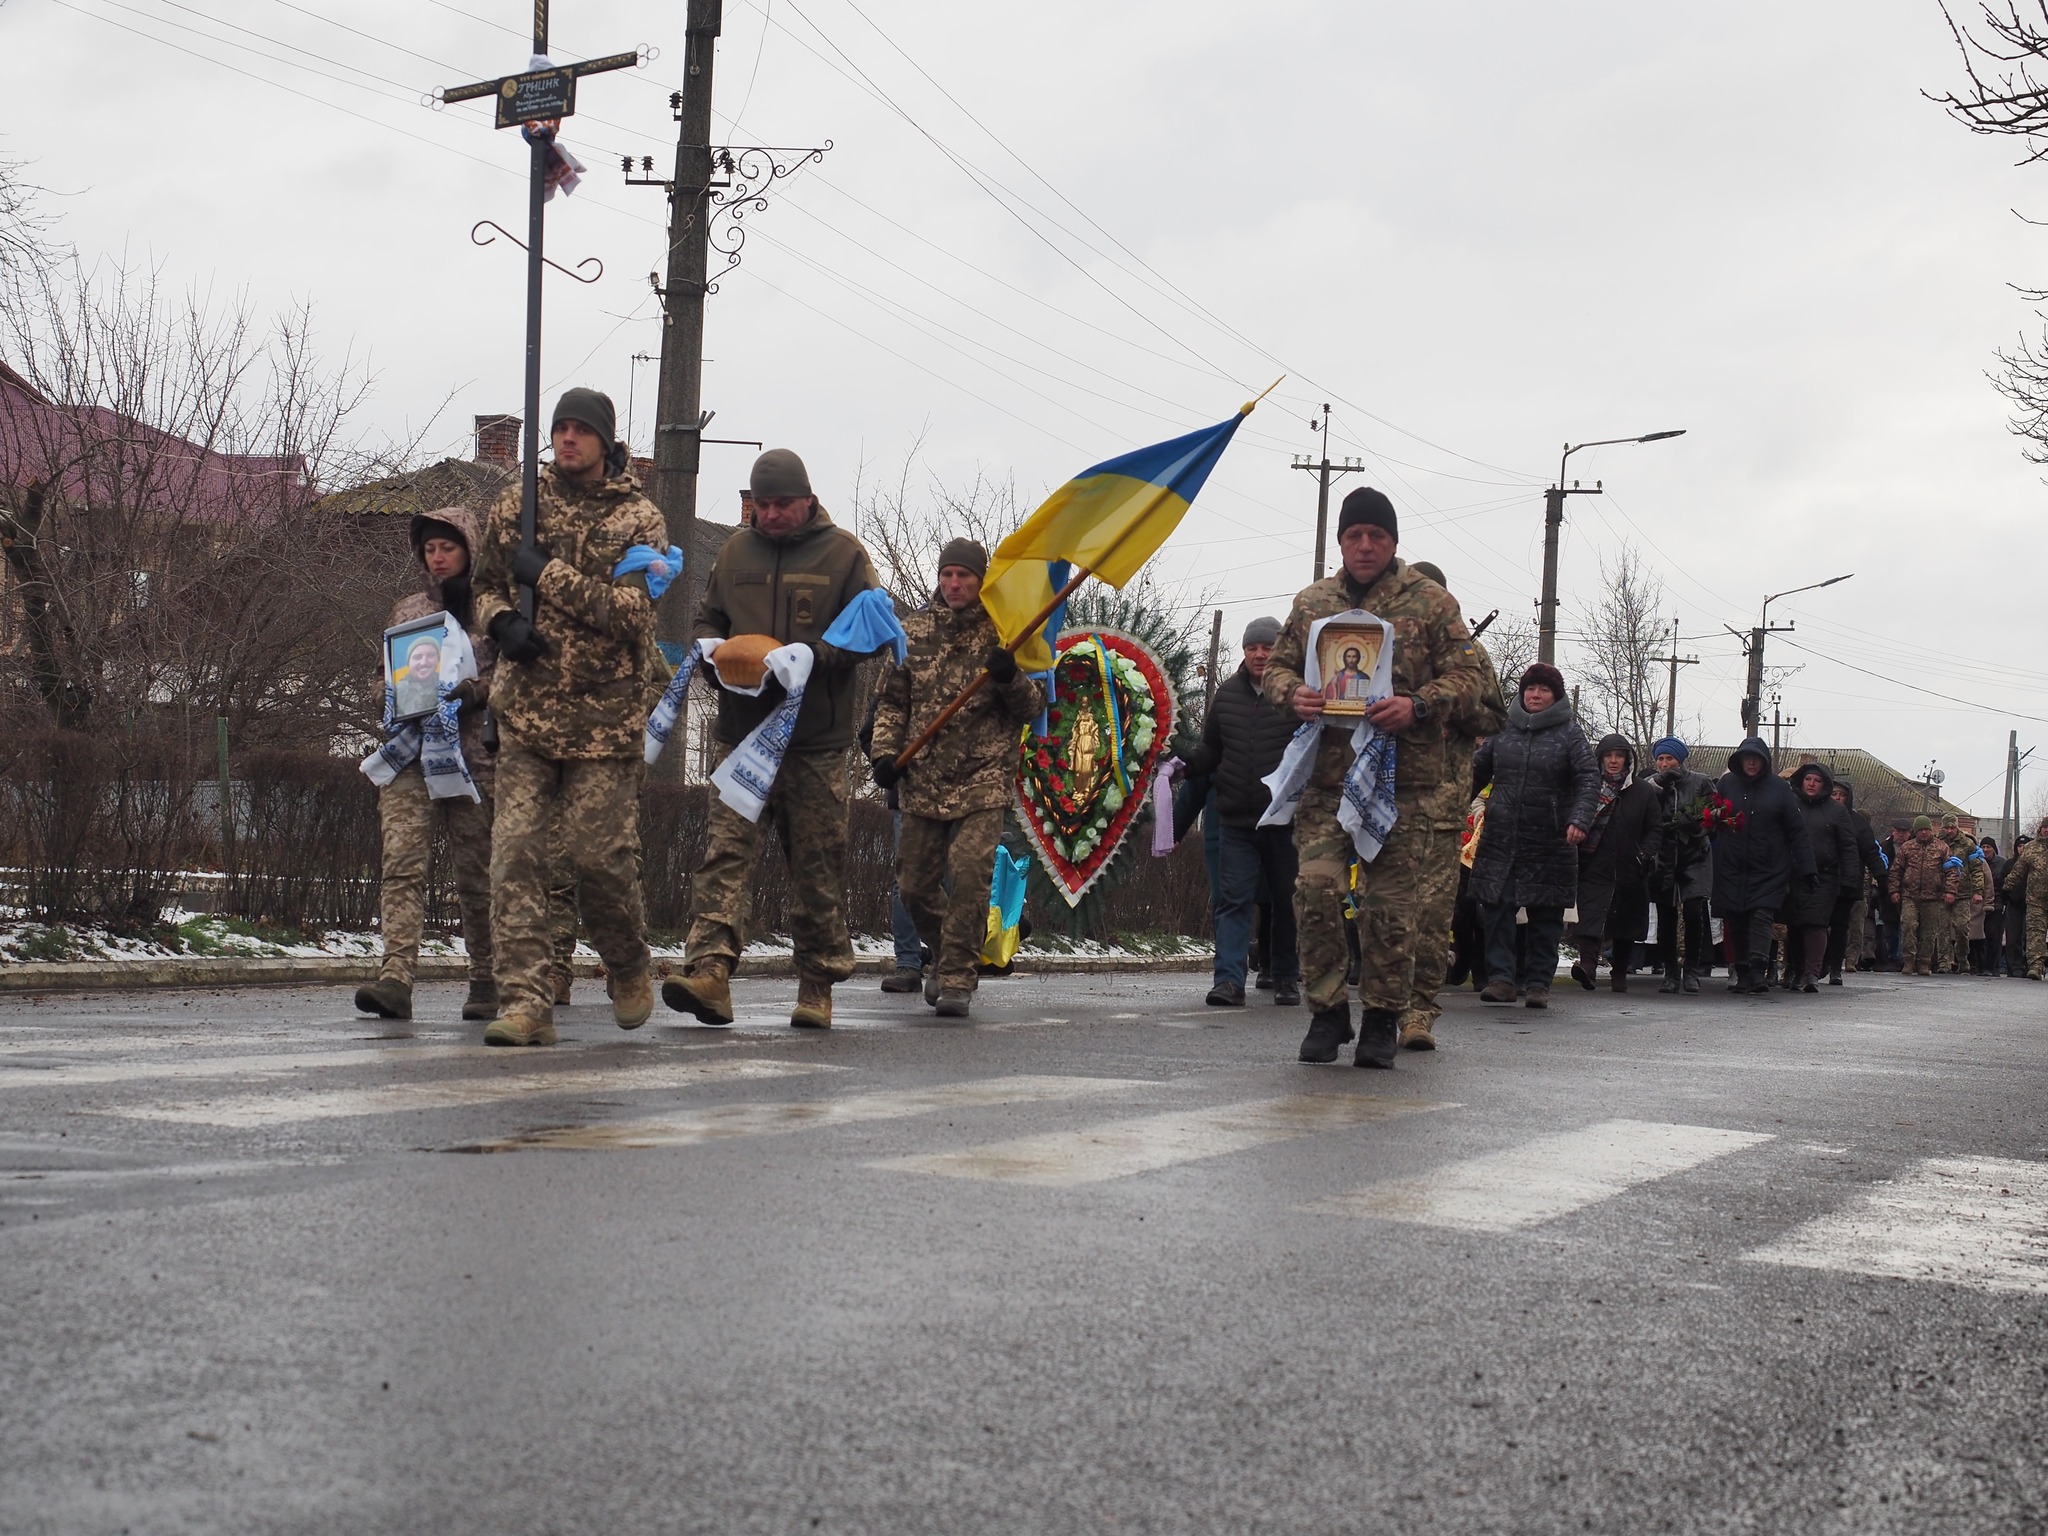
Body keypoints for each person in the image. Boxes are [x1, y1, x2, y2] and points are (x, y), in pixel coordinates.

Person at [1264, 487, 1500, 1066]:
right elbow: (1277, 666)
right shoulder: (1313, 602)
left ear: (1393, 541)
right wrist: (1291, 693)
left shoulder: (1432, 602)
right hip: (1326, 781)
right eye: (1354, 536)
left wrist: (1417, 705)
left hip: (1403, 786)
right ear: (1341, 541)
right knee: (1314, 893)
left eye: (1376, 535)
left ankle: (1382, 1018)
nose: (1364, 545)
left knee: (1391, 910)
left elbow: (1471, 680)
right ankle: (1327, 1015)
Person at [664, 449, 885, 1030]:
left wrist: (815, 656)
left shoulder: (845, 555)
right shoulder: (736, 550)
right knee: (725, 854)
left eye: (782, 504)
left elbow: (872, 635)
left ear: (807, 500)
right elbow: (707, 618)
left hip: (813, 743)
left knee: (816, 864)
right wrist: (711, 653)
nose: (771, 514)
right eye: (761, 505)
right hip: (741, 738)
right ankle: (709, 972)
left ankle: (817, 984)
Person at [472, 388, 664, 1047]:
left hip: (604, 722)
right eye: (560, 428)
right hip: (526, 713)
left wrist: (547, 575)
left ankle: (629, 960)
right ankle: (526, 1002)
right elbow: (486, 583)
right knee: (515, 857)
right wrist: (502, 621)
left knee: (598, 859)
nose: (568, 439)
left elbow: (633, 614)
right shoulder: (517, 503)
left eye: (582, 430)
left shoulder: (642, 520)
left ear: (606, 441)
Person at [869, 538, 1042, 1019]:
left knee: (969, 875)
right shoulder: (914, 631)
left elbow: (1032, 708)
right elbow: (892, 702)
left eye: (964, 575)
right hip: (922, 778)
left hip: (983, 778)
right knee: (914, 886)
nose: (954, 584)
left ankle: (958, 980)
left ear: (980, 580)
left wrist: (1010, 676)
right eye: (947, 575)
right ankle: (948, 957)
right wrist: (885, 753)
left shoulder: (1006, 632)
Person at [355, 506, 498, 1025]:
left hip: (472, 760)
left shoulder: (492, 611)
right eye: (430, 549)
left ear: (470, 550)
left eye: (448, 547)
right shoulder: (408, 610)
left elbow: (517, 682)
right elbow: (379, 676)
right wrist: (392, 696)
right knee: (402, 865)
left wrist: (474, 691)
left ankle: (486, 978)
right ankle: (396, 978)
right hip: (410, 753)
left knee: (477, 873)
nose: (438, 558)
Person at [1395, 558, 1504, 1047]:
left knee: (1435, 913)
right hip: (1382, 797)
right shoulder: (1381, 650)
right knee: (1384, 910)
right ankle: (1382, 1006)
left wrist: (1447, 711)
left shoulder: (1470, 654)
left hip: (1441, 800)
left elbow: (1496, 716)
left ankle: (1418, 1013)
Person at [1176, 615, 1303, 1007]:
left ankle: (1285, 977)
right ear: (1244, 651)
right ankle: (1229, 981)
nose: (1260, 655)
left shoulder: (1296, 695)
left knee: (1285, 900)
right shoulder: (1226, 696)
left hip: (1283, 819)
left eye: (1267, 647)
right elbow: (1211, 750)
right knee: (1232, 900)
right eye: (1253, 648)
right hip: (1236, 818)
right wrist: (1185, 764)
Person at [1469, 663, 1599, 1009]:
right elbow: (1475, 773)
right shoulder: (1502, 730)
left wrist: (1579, 819)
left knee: (1546, 915)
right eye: (1530, 689)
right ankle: (1501, 979)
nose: (1535, 695)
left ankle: (1539, 983)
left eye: (1543, 690)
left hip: (1551, 840)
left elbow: (1588, 778)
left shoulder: (1570, 734)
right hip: (1502, 838)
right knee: (1496, 909)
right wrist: (1449, 809)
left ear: (1555, 696)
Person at [1710, 737, 1816, 995]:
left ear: (1765, 761)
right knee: (1735, 918)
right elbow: (1712, 819)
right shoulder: (1727, 784)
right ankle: (1743, 971)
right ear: (1739, 760)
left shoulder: (1779, 789)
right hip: (1732, 864)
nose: (1752, 763)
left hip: (1768, 867)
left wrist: (1807, 867)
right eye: (1747, 758)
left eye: (1757, 758)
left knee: (1760, 916)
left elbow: (1796, 830)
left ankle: (1758, 970)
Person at [1569, 734, 1663, 993]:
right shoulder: (1588, 786)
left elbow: (1655, 827)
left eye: (1619, 756)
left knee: (1625, 921)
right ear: (1599, 758)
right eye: (1608, 756)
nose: (1613, 761)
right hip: (1593, 861)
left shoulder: (1643, 790)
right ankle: (1587, 966)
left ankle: (1619, 970)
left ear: (1627, 760)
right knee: (1590, 915)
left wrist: (1645, 853)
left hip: (1630, 865)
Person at [1780, 763, 1859, 993]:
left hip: (1824, 876)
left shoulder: (1836, 811)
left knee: (1816, 923)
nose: (1811, 784)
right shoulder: (1791, 806)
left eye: (1817, 780)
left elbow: (1848, 847)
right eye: (1808, 780)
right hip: (1794, 875)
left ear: (1824, 784)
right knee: (1794, 924)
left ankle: (1812, 973)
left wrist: (1850, 880)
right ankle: (1795, 969)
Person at [1646, 737, 1714, 993]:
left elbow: (1715, 813)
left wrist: (1696, 827)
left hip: (1694, 854)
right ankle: (1670, 972)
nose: (1665, 764)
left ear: (1680, 759)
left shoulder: (1700, 781)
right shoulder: (1651, 785)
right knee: (1666, 914)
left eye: (1669, 758)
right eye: (1661, 759)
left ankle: (1692, 970)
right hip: (1663, 857)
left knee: (1694, 910)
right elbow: (1643, 812)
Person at [1825, 778, 1885, 981]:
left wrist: (1882, 878)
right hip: (1821, 882)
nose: (1838, 798)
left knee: (1841, 927)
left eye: (1842, 795)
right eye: (1834, 794)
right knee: (1817, 925)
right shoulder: (1818, 815)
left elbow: (1871, 852)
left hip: (1848, 883)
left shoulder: (1858, 824)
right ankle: (1816, 965)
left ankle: (1835, 968)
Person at [1891, 814, 1957, 976]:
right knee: (1908, 925)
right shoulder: (1907, 848)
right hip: (1909, 896)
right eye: (1920, 830)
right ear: (1915, 831)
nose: (1924, 833)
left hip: (1933, 897)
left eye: (1927, 830)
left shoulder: (1942, 848)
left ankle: (1924, 962)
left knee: (1929, 932)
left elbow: (1952, 871)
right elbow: (1896, 871)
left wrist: (1950, 891)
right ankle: (1908, 960)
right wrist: (1894, 890)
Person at [2002, 820, 2048, 978]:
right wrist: (2007, 885)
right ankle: (2035, 966)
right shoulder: (2031, 848)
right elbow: (2018, 870)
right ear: (2040, 829)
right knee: (2035, 933)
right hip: (2036, 899)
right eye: (2045, 828)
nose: (2047, 831)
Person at [1978, 837, 2009, 975]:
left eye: (1988, 847)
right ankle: (1979, 965)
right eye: (1983, 847)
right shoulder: (1976, 862)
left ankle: (1992, 967)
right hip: (1978, 905)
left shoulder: (2002, 863)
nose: (1985, 850)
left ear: (1993, 849)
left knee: (1994, 936)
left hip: (1996, 904)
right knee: (1979, 937)